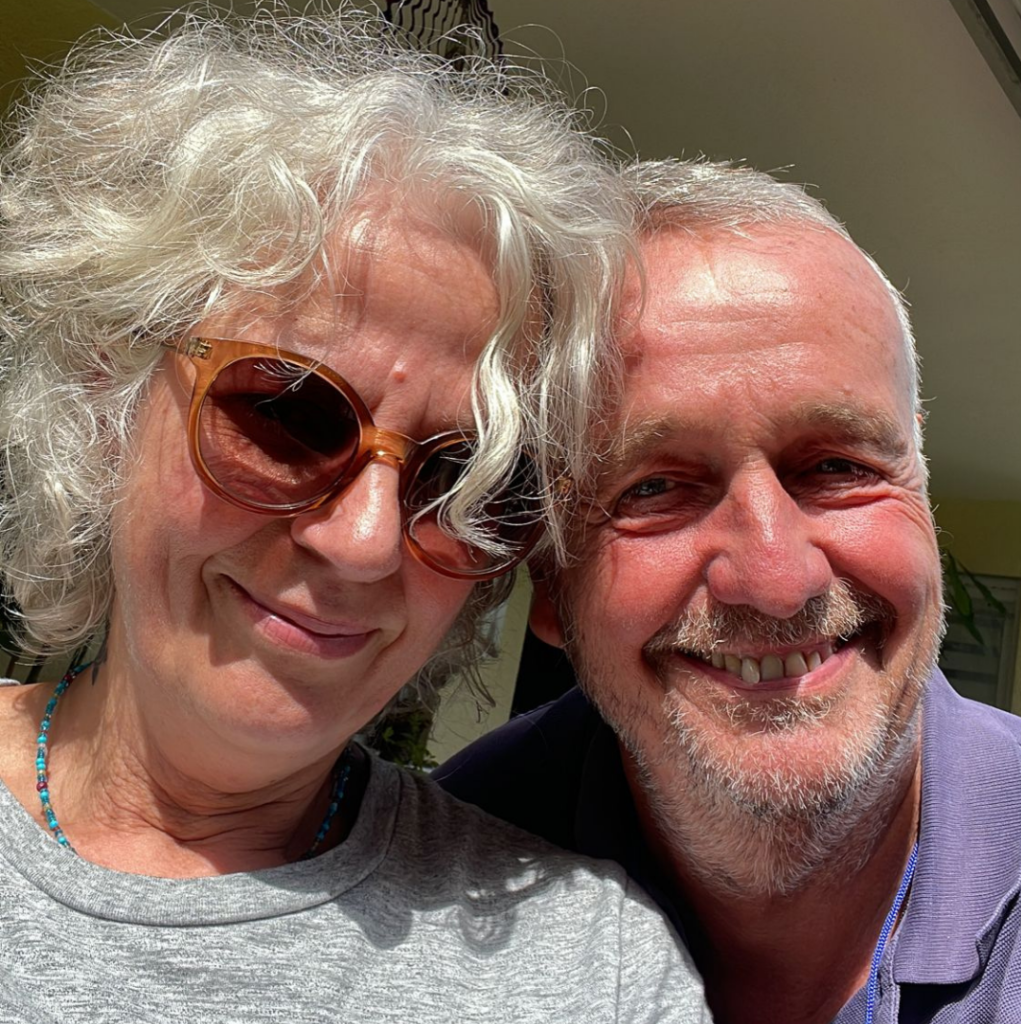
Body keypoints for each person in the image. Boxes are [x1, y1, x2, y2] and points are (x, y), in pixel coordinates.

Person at [0, 13, 710, 1023]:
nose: (366, 541)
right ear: (107, 387)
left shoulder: (592, 974)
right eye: (289, 414)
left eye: (466, 478)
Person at [437, 159, 1021, 1023]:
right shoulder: (445, 879)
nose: (777, 581)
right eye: (654, 487)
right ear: (552, 579)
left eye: (837, 467)